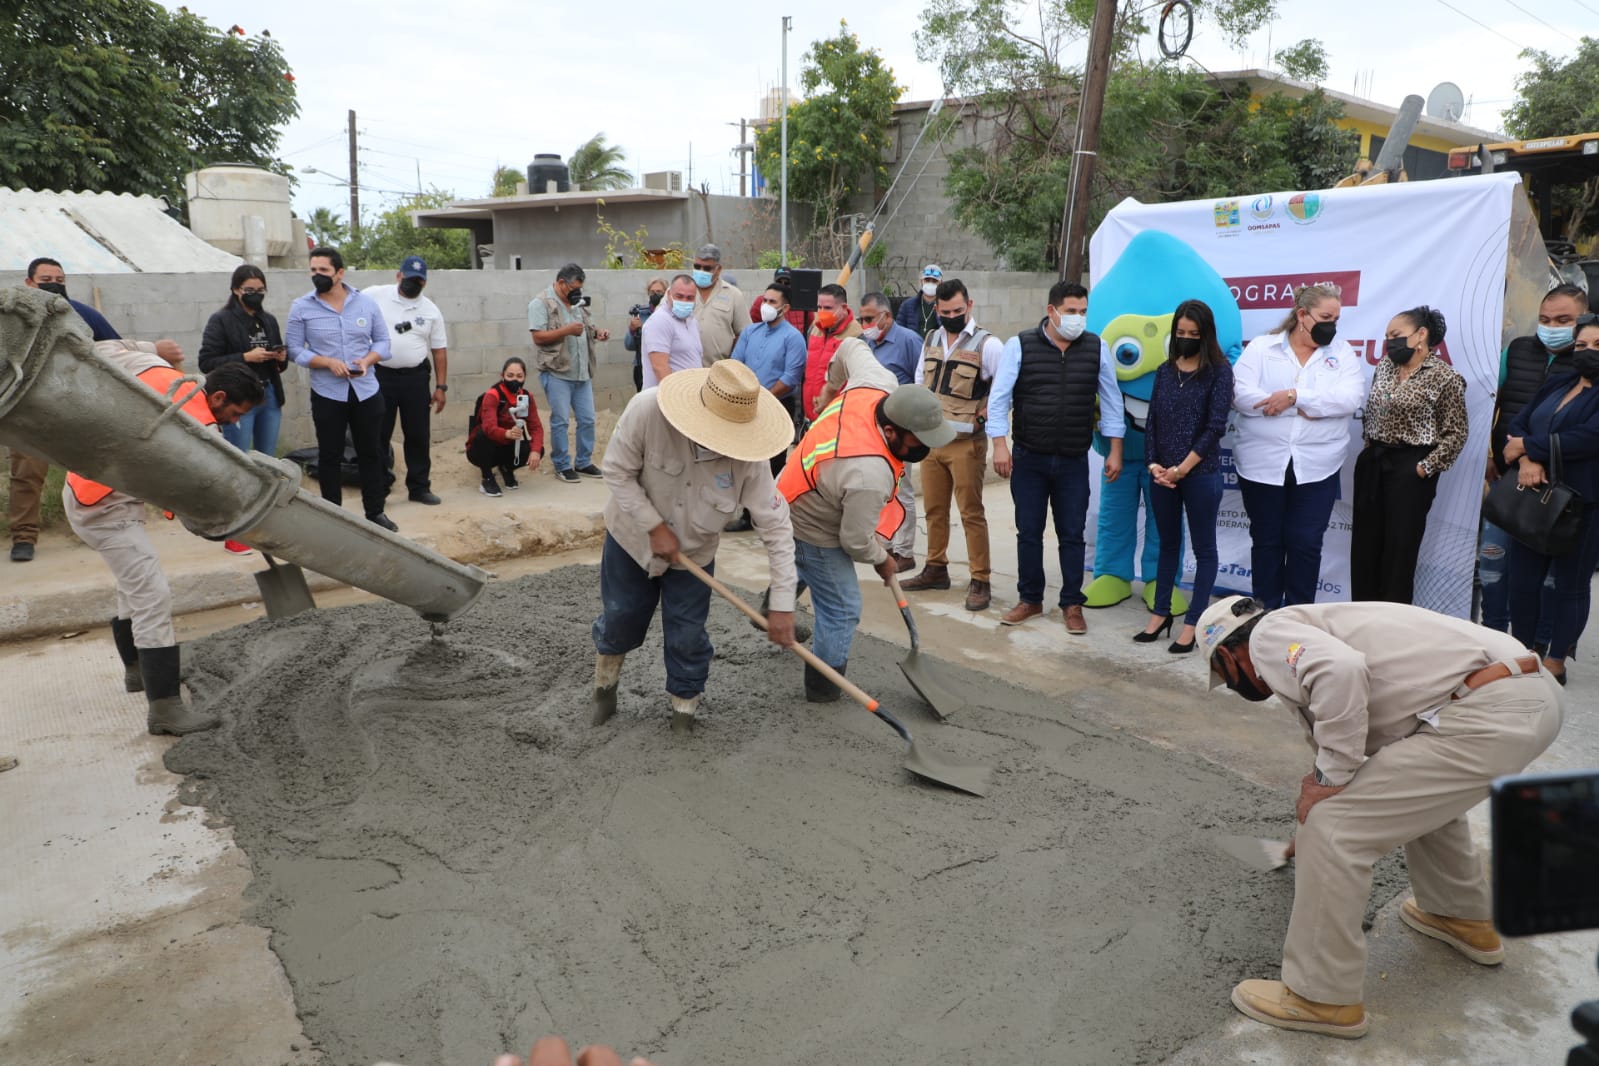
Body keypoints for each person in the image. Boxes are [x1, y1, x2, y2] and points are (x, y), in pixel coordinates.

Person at [1199, 594, 1562, 1040]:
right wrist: (1332, 783)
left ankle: (1320, 996)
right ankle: (1459, 916)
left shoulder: (1269, 636)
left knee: (1334, 827)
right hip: (1528, 696)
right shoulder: (1318, 626)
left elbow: (1341, 671)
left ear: (1226, 654)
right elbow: (1365, 750)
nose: (1237, 689)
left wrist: (1327, 792)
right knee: (1417, 800)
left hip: (1487, 709)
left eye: (1224, 677)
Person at [592, 360, 797, 731]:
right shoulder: (647, 410)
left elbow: (777, 528)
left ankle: (682, 713)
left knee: (687, 636)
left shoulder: (750, 458)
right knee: (622, 616)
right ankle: (605, 689)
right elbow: (616, 472)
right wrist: (653, 526)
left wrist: (782, 604)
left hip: (695, 556)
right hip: (631, 541)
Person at [66, 355, 262, 736]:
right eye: (235, 412)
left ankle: (137, 672)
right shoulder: (200, 428)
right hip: (107, 509)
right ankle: (165, 711)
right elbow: (207, 490)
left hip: (85, 486)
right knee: (152, 596)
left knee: (132, 586)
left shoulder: (164, 374)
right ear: (218, 396)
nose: (235, 421)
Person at [779, 340, 956, 700]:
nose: (927, 448)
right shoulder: (867, 472)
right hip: (809, 518)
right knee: (842, 606)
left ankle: (771, 606)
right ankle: (823, 689)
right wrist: (883, 559)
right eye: (919, 441)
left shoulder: (877, 382)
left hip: (798, 482)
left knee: (802, 566)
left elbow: (849, 345)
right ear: (891, 432)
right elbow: (855, 542)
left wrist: (830, 391)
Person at [986, 281, 1124, 631]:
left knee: (1072, 534)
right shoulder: (1019, 345)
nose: (1078, 319)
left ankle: (1072, 603)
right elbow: (999, 398)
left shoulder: (1097, 347)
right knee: (1028, 531)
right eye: (1071, 312)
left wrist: (1115, 451)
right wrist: (999, 444)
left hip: (1074, 460)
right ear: (1052, 311)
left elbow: (1111, 402)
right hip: (1029, 458)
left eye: (1083, 312)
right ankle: (1030, 599)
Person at [1231, 283, 1364, 608]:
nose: (1332, 324)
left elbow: (1350, 399)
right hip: (1261, 465)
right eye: (1325, 316)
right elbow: (1239, 393)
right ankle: (1264, 616)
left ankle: (1299, 616)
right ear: (1302, 315)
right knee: (1266, 541)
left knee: (1305, 542)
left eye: (1336, 318)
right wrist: (1287, 404)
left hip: (1318, 466)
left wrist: (1293, 397)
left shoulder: (1341, 352)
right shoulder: (1263, 348)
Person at [10, 257, 149, 563]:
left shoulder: (83, 315)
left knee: (92, 470)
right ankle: (24, 536)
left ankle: (93, 528)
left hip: (79, 409)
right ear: (29, 284)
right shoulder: (16, 321)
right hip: (31, 414)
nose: (55, 284)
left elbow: (117, 349)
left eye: (60, 279)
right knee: (27, 475)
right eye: (47, 279)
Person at [1480, 284, 1587, 633]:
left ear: (1582, 320)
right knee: (1493, 565)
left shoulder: (1587, 364)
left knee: (1549, 577)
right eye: (1544, 319)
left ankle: (1539, 646)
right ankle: (1493, 635)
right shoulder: (1519, 349)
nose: (1552, 327)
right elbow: (1495, 407)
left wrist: (1533, 456)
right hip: (1509, 477)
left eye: (1563, 320)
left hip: (1560, 487)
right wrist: (1492, 454)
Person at [1502, 314, 1599, 685]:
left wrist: (1527, 447)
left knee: (1571, 585)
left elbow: (1587, 438)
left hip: (1583, 503)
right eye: (1581, 345)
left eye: (1597, 346)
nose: (1587, 352)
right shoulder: (1559, 383)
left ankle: (1557, 658)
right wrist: (1527, 460)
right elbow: (1518, 424)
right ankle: (1524, 651)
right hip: (1534, 496)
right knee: (1523, 582)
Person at [1351, 306, 1468, 604]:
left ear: (1421, 335)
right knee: (1365, 546)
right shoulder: (1386, 367)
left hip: (1411, 467)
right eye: (1387, 336)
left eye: (1396, 335)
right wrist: (1369, 444)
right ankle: (1360, 617)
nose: (1389, 342)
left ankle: (1394, 626)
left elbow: (1455, 433)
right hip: (1374, 462)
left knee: (1399, 551)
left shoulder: (1445, 377)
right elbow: (1373, 411)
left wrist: (1425, 468)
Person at [902, 278, 1004, 612]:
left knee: (971, 513)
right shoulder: (931, 338)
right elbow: (920, 380)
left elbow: (1004, 389)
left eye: (958, 310)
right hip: (932, 442)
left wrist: (988, 415)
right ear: (937, 309)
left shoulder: (988, 345)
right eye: (945, 311)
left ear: (969, 306)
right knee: (934, 510)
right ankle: (935, 568)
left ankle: (980, 579)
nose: (952, 316)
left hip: (965, 444)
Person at [1140, 299, 1233, 651]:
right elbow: (1152, 423)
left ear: (1205, 335)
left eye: (1193, 334)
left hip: (1200, 474)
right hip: (1162, 474)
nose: (1186, 338)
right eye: (1181, 332)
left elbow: (1215, 428)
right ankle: (1160, 613)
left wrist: (1183, 469)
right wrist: (1154, 465)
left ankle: (1193, 623)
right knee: (1167, 545)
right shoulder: (1166, 370)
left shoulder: (1219, 372)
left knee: (1204, 549)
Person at [286, 245, 398, 531]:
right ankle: (334, 518)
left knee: (372, 452)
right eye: (313, 270)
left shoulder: (366, 304)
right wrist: (325, 362)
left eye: (323, 270)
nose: (317, 275)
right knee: (330, 455)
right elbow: (294, 350)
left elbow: (384, 343)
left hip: (366, 390)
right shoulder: (302, 307)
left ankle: (375, 513)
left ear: (339, 273)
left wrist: (369, 359)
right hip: (328, 393)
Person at [725, 282, 807, 531]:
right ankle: (749, 516)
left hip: (777, 406)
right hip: (746, 405)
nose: (766, 306)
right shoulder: (751, 332)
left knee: (772, 464)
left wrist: (765, 398)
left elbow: (790, 377)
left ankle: (771, 516)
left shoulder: (793, 338)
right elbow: (735, 363)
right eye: (765, 300)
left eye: (772, 302)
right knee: (746, 461)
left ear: (785, 307)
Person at [368, 255, 449, 506]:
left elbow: (439, 350)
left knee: (417, 434)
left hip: (415, 379)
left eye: (418, 280)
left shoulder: (430, 310)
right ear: (398, 276)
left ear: (424, 283)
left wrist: (441, 387)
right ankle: (379, 487)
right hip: (381, 376)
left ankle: (419, 487)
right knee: (379, 434)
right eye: (408, 278)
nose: (412, 284)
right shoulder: (375, 295)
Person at [857, 291, 925, 571]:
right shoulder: (864, 344)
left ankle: (904, 551)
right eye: (861, 319)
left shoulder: (909, 341)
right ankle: (882, 543)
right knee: (876, 488)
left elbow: (920, 383)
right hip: (871, 429)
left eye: (869, 318)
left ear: (886, 316)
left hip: (900, 431)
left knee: (901, 490)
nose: (865, 324)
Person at [530, 263, 609, 485]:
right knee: (561, 421)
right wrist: (566, 331)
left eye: (579, 288)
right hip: (557, 372)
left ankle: (583, 462)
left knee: (587, 419)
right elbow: (538, 337)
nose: (576, 292)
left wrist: (598, 333)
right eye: (573, 287)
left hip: (582, 373)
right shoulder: (540, 303)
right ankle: (562, 465)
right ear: (561, 282)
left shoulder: (578, 304)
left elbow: (587, 328)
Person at [467, 357, 545, 497]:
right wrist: (506, 433)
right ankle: (487, 478)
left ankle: (506, 468)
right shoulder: (493, 395)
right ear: (502, 376)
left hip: (508, 446)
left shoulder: (527, 397)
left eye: (519, 376)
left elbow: (536, 427)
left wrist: (535, 451)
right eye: (510, 375)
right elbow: (489, 427)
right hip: (483, 448)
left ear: (525, 377)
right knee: (483, 435)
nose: (515, 380)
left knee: (538, 449)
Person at [799, 283, 862, 420]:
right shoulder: (814, 330)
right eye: (819, 307)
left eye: (827, 308)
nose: (821, 312)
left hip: (839, 414)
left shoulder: (857, 335)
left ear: (843, 308)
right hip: (811, 413)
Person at [640, 274, 704, 388]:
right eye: (679, 296)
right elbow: (660, 368)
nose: (684, 301)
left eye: (690, 298)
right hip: (668, 399)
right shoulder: (659, 321)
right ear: (669, 294)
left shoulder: (692, 322)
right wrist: (674, 398)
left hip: (689, 397)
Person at [689, 243, 746, 364]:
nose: (701, 271)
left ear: (718, 269)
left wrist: (732, 360)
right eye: (697, 266)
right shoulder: (678, 290)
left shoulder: (734, 295)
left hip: (717, 370)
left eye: (707, 268)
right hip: (683, 369)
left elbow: (744, 333)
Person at [623, 277, 668, 392]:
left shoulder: (671, 313)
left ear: (666, 293)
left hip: (666, 364)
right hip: (642, 366)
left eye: (659, 292)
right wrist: (632, 330)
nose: (655, 295)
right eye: (652, 292)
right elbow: (628, 345)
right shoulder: (641, 314)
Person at [747, 267, 814, 334]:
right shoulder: (761, 301)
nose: (783, 286)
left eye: (787, 283)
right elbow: (752, 327)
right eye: (779, 282)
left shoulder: (802, 302)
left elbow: (810, 326)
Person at [895, 263, 943, 337]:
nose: (930, 283)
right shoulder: (907, 305)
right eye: (927, 280)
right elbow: (898, 331)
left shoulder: (946, 306)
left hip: (936, 347)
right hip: (912, 347)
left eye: (934, 281)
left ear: (940, 283)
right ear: (922, 281)